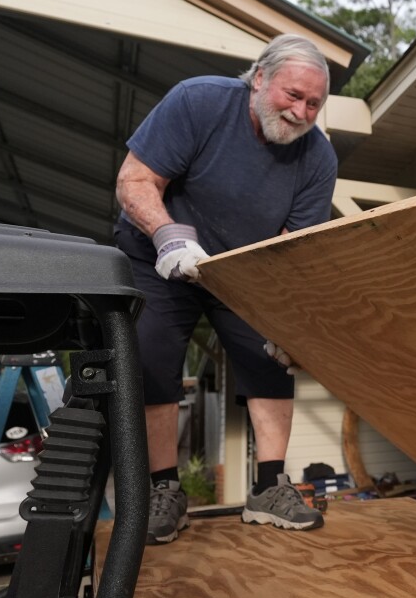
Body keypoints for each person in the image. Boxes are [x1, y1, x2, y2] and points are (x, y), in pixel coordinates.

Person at [113, 34, 336, 545]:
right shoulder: (199, 101)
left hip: (242, 267)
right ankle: (163, 491)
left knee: (271, 357)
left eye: (313, 104)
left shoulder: (318, 160)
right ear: (259, 78)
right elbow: (135, 180)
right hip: (159, 252)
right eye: (292, 95)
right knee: (150, 354)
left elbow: (289, 251)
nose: (301, 112)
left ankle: (269, 488)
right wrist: (168, 235)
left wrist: (287, 322)